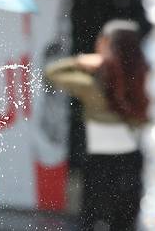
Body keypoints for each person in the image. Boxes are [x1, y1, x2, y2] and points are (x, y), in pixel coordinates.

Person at [45, 19, 148, 231]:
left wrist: (80, 61)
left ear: (108, 45)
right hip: (132, 162)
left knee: (93, 222)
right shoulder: (143, 83)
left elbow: (51, 73)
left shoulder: (93, 86)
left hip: (101, 164)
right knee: (125, 223)